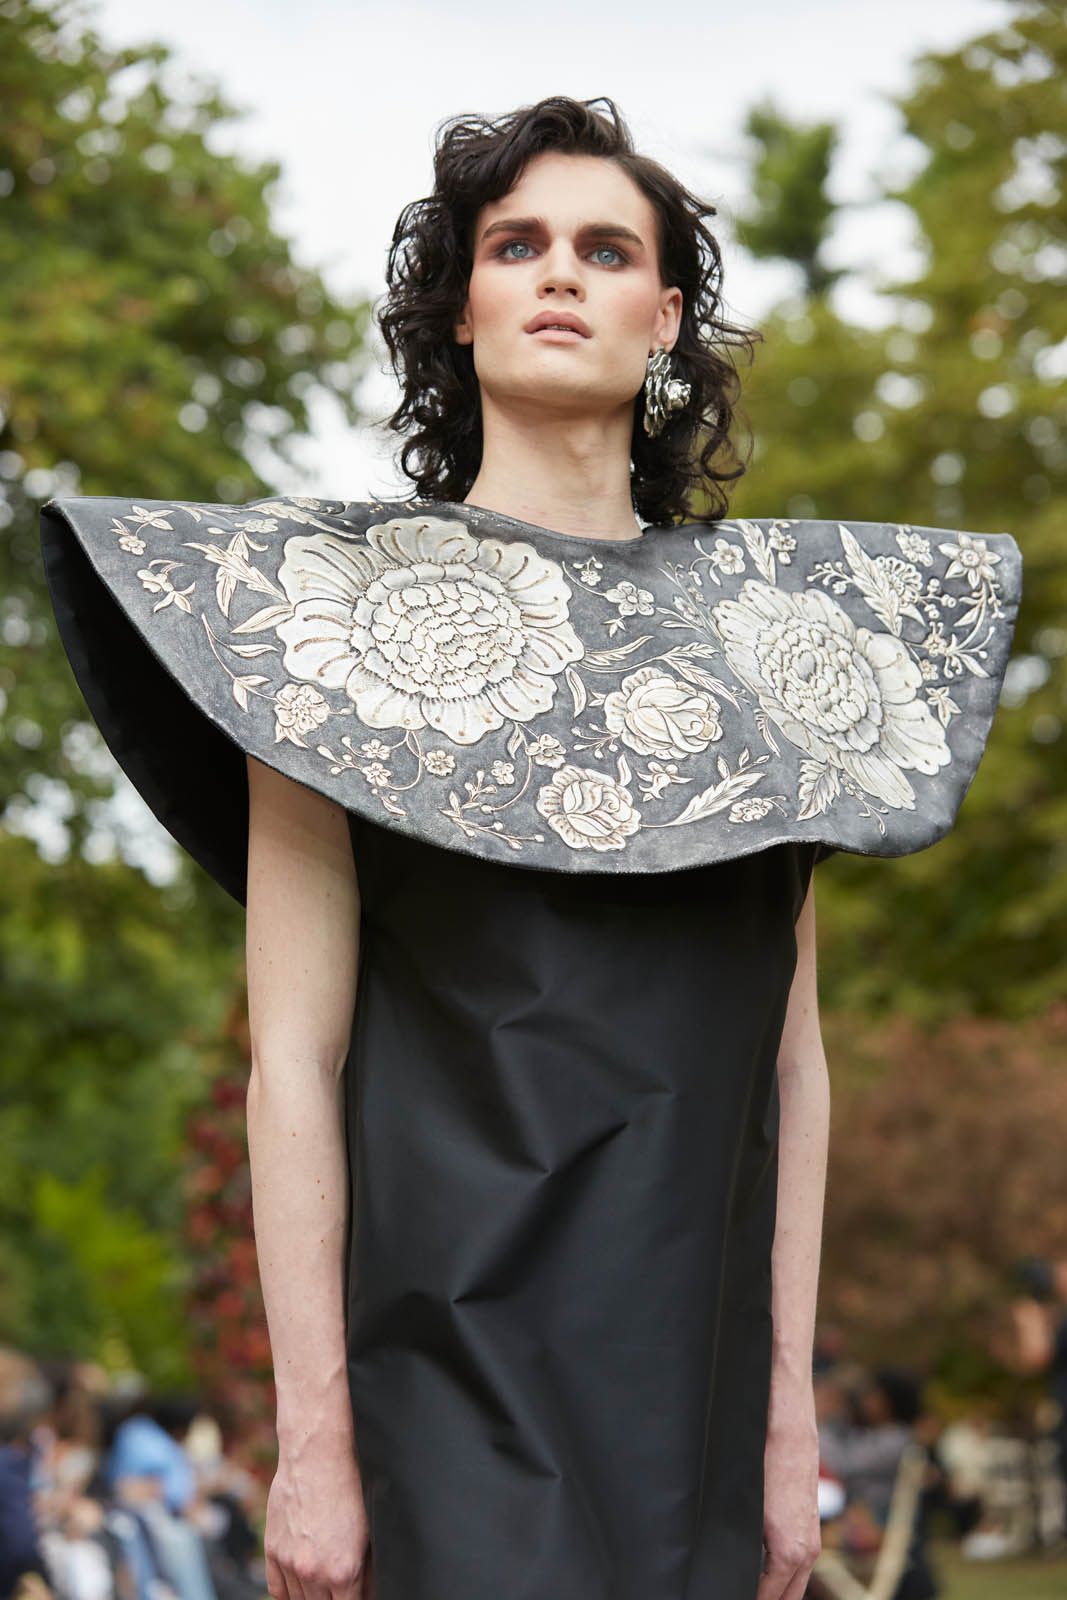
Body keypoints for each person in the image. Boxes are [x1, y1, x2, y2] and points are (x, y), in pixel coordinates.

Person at [39, 94, 1022, 1600]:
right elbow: (292, 1064)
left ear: (665, 317)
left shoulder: (784, 652)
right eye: (517, 245)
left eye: (606, 249)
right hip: (441, 1388)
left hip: (694, 1391)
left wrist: (786, 1421)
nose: (560, 272)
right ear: (463, 305)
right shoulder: (318, 634)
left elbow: (793, 1067)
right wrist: (314, 1441)